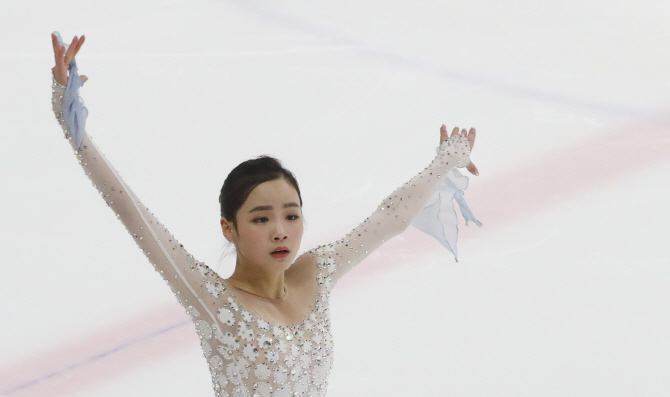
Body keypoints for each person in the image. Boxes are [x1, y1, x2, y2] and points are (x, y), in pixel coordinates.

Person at [51, 32, 478, 397]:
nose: (280, 232)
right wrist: (71, 124)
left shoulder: (317, 272)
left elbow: (388, 218)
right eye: (260, 219)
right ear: (229, 228)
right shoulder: (213, 300)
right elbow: (130, 210)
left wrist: (442, 164)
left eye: (291, 216)